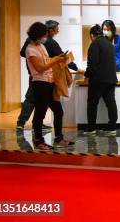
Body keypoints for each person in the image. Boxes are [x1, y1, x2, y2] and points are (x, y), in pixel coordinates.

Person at [17, 20, 83, 130]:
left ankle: (26, 123)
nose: (57, 31)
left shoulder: (39, 44)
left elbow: (24, 54)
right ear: (49, 31)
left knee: (36, 102)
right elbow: (44, 65)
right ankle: (33, 128)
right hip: (40, 79)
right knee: (38, 103)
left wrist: (42, 60)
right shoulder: (39, 45)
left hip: (42, 77)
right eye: (57, 30)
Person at [25, 22, 74, 150]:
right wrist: (55, 61)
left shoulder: (41, 46)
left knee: (58, 111)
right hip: (40, 83)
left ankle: (59, 138)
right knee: (40, 113)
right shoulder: (30, 49)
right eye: (44, 35)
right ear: (38, 35)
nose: (46, 37)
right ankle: (38, 140)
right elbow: (40, 68)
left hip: (50, 82)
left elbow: (47, 61)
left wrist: (58, 58)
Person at [85, 24, 118, 136]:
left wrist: (87, 75)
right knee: (111, 103)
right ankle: (112, 128)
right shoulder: (109, 43)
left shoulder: (94, 44)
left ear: (92, 35)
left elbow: (92, 64)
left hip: (98, 80)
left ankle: (91, 129)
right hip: (111, 78)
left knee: (92, 104)